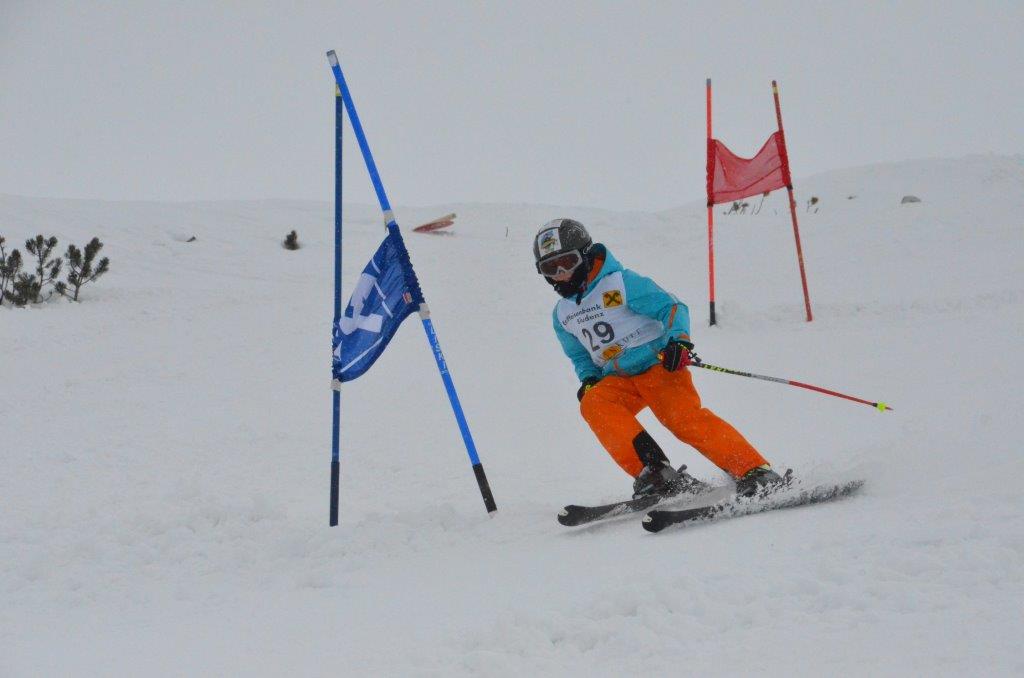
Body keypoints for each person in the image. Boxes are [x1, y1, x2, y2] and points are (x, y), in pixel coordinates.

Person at [534, 218, 782, 499]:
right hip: (619, 378)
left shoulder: (620, 283)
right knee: (595, 402)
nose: (562, 274)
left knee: (681, 419)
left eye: (568, 262)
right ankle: (655, 473)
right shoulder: (562, 314)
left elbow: (671, 307)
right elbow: (579, 355)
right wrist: (589, 378)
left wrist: (679, 341)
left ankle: (754, 470)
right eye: (551, 268)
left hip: (658, 365)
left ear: (586, 255)